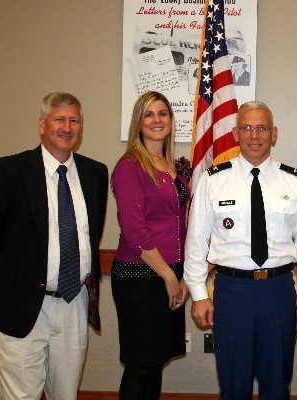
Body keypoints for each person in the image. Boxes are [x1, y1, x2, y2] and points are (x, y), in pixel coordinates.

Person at [0, 92, 108, 399]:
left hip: (74, 302)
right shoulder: (9, 171)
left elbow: (89, 236)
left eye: (74, 120)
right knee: (21, 396)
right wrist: (9, 280)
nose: (67, 127)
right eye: (59, 119)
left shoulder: (95, 173)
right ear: (42, 125)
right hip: (23, 306)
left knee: (65, 395)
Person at [184, 101, 297, 400]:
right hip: (232, 291)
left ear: (274, 133)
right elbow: (196, 241)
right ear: (235, 133)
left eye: (261, 128)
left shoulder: (294, 181)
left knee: (277, 383)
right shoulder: (213, 180)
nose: (254, 135)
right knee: (233, 384)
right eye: (247, 127)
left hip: (279, 290)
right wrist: (198, 294)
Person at [111, 91, 192, 399]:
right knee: (139, 364)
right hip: (140, 277)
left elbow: (180, 223)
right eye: (149, 114)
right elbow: (135, 231)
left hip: (171, 272)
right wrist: (169, 277)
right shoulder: (130, 166)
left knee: (157, 361)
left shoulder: (173, 167)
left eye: (162, 114)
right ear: (139, 122)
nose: (157, 120)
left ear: (171, 121)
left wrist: (181, 272)